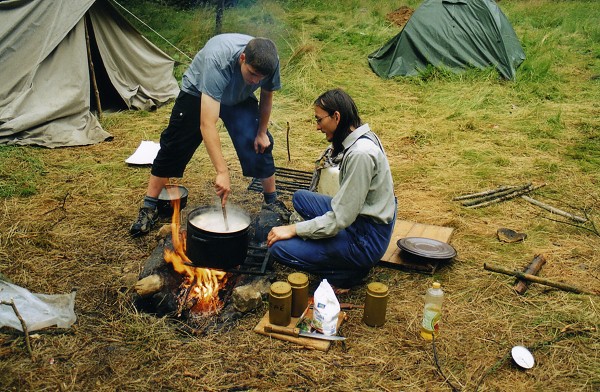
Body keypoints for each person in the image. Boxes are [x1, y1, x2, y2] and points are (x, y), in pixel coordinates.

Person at [130, 33, 289, 237]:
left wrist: (261, 132)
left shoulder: (270, 62)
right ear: (242, 59)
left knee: (261, 144)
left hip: (238, 98)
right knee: (174, 145)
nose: (255, 81)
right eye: (252, 74)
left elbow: (267, 96)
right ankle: (149, 207)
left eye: (260, 77)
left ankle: (271, 202)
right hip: (198, 92)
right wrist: (222, 171)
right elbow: (207, 123)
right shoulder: (218, 59)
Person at [267, 88, 396, 289]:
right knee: (301, 198)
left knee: (278, 248)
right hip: (361, 218)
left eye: (319, 120)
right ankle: (340, 253)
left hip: (366, 239)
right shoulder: (362, 135)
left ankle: (347, 272)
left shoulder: (360, 155)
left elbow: (339, 219)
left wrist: (294, 229)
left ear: (336, 116)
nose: (317, 127)